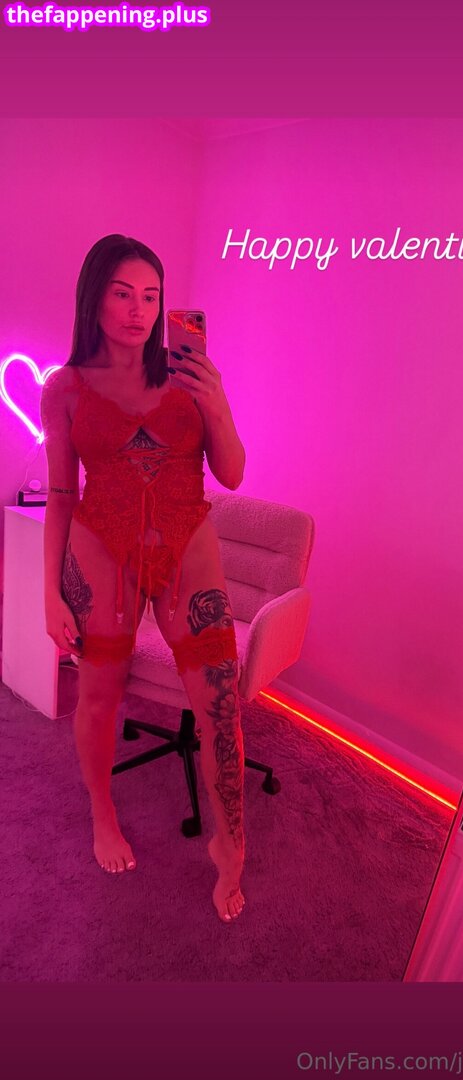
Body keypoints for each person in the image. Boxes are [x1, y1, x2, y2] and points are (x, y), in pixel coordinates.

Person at [40, 234, 247, 923]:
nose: (138, 310)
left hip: (189, 544)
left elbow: (232, 472)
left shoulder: (188, 374)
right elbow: (62, 496)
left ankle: (230, 846)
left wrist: (217, 402)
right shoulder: (64, 388)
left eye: (151, 296)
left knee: (221, 704)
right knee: (99, 698)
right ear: (94, 298)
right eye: (123, 293)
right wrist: (49, 592)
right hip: (101, 548)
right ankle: (102, 814)